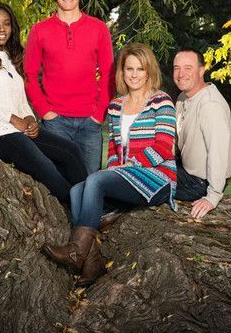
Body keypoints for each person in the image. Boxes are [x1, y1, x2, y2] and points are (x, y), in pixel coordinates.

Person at [42, 43, 177, 287]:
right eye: (129, 69)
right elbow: (114, 149)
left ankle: (77, 252)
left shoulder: (161, 101)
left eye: (140, 69)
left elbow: (164, 147)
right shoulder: (116, 105)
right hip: (127, 176)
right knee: (76, 190)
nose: (134, 74)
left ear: (149, 72)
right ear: (122, 72)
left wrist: (129, 167)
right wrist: (117, 168)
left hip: (157, 177)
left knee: (95, 180)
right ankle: (93, 261)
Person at [0, 2, 87, 203]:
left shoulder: (11, 58)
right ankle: (84, 212)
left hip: (14, 127)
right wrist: (14, 119)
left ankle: (95, 204)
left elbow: (20, 99)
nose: (2, 29)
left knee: (70, 151)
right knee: (45, 166)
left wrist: (29, 118)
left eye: (7, 24)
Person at [24, 0, 115, 174]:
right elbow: (29, 74)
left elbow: (109, 73)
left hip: (90, 122)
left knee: (90, 183)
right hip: (55, 123)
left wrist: (99, 113)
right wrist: (45, 112)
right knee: (58, 185)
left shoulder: (99, 29)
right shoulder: (39, 30)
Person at [173, 49, 231, 219]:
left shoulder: (210, 104)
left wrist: (212, 196)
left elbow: (218, 151)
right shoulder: (182, 98)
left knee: (143, 182)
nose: (180, 74)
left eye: (188, 68)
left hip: (200, 183)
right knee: (142, 168)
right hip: (186, 170)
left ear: (201, 70)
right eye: (177, 68)